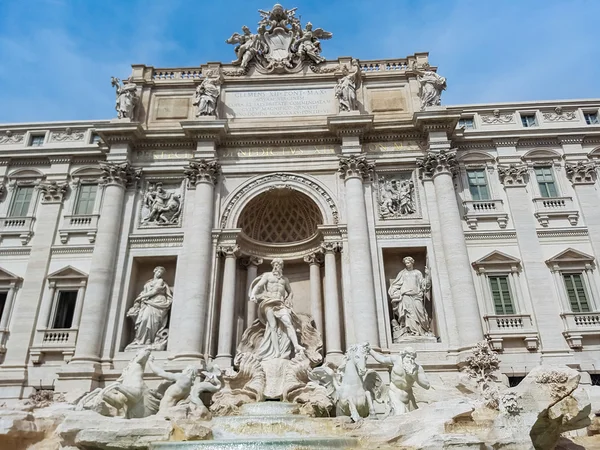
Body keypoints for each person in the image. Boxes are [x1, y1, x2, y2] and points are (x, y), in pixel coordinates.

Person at [369, 346, 430, 415]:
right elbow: (382, 359)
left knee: (413, 417)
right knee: (400, 413)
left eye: (412, 358)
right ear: (403, 356)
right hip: (394, 393)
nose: (410, 360)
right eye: (408, 357)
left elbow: (427, 385)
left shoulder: (417, 368)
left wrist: (414, 375)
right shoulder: (396, 360)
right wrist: (370, 351)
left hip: (408, 397)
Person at [126, 266, 173, 350]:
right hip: (147, 303)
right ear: (154, 271)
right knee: (144, 319)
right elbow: (144, 292)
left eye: (161, 273)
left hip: (158, 302)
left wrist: (141, 297)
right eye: (158, 272)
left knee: (153, 321)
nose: (159, 274)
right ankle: (140, 340)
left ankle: (149, 340)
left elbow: (155, 291)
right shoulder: (148, 282)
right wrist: (139, 300)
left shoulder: (160, 281)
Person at [388, 256, 432, 337]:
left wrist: (427, 275)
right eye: (406, 263)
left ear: (412, 263)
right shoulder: (402, 273)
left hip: (417, 296)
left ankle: (422, 330)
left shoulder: (417, 273)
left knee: (420, 313)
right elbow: (396, 284)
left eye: (408, 262)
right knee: (408, 314)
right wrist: (393, 291)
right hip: (406, 296)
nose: (407, 264)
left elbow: (424, 285)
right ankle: (412, 331)